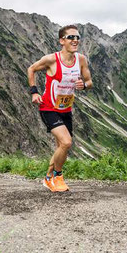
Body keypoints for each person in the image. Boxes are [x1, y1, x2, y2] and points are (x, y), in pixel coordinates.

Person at [27, 25, 92, 192]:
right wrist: (34, 93)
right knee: (66, 142)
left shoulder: (81, 60)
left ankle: (48, 178)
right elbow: (31, 69)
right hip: (48, 107)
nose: (75, 40)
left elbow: (89, 82)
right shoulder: (51, 59)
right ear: (62, 41)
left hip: (66, 109)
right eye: (71, 37)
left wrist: (83, 85)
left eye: (78, 37)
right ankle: (58, 176)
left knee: (61, 147)